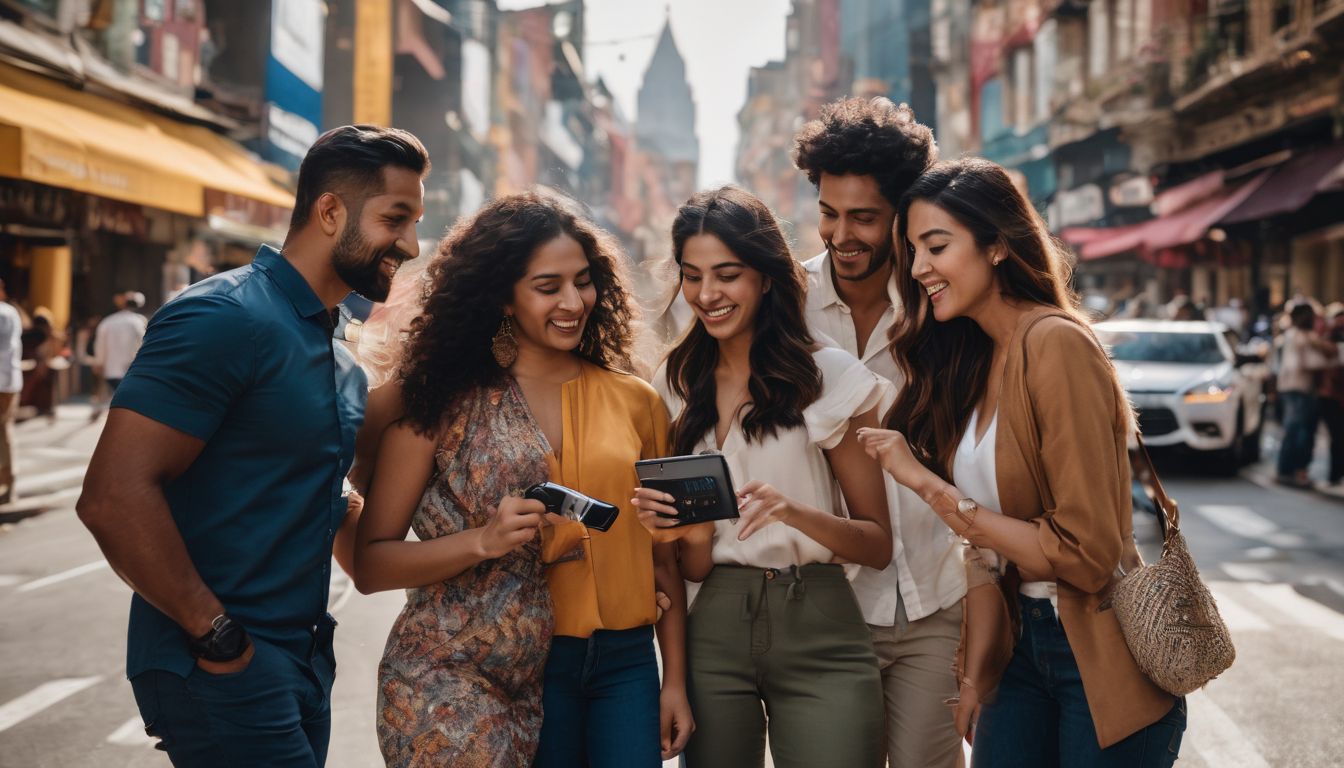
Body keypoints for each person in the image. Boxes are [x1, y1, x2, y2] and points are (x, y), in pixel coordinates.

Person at [76, 124, 430, 767]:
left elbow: (314, 497)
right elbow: (111, 496)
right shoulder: (224, 316)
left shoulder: (338, 354)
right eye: (395, 219)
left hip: (300, 662)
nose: (409, 244)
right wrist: (219, 638)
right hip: (220, 663)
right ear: (330, 211)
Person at [855, 158, 1185, 767]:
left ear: (999, 245)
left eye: (937, 245)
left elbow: (1085, 556)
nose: (920, 267)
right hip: (1021, 651)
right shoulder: (978, 359)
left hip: (1096, 655)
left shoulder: (1055, 343)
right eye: (914, 250)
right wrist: (978, 674)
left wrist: (928, 486)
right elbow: (986, 553)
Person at [350, 192, 692, 767]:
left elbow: (664, 556)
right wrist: (482, 540)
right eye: (547, 286)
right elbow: (370, 560)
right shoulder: (440, 400)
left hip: (627, 660)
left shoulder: (636, 400)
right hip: (517, 667)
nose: (573, 302)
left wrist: (674, 678)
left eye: (582, 281)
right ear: (503, 297)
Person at [634, 185, 893, 768]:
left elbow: (877, 544)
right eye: (693, 276)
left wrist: (792, 510)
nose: (708, 294)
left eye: (727, 274)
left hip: (820, 623)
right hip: (712, 627)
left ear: (767, 277)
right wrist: (684, 531)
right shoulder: (672, 385)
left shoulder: (828, 376)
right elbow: (692, 566)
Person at [792, 96, 968, 766]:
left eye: (864, 217)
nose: (841, 235)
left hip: (934, 599)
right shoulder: (784, 306)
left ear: (902, 215)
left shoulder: (944, 305)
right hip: (826, 613)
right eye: (829, 214)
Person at [1275, 301, 1336, 487]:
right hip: (1299, 388)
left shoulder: (1294, 335)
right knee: (1299, 431)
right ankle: (1293, 470)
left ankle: (1292, 470)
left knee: (1298, 431)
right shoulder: (1301, 336)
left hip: (1296, 388)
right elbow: (1312, 362)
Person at [91, 290, 149, 415]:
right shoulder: (137, 322)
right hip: (130, 369)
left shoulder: (107, 322)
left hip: (111, 369)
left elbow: (100, 344)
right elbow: (144, 344)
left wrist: (99, 362)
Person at [1318, 304, 1344, 491]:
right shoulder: (1327, 340)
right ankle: (1335, 475)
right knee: (1337, 436)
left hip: (1334, 395)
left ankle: (1336, 475)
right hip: (1331, 396)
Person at [0, 278, 21, 505]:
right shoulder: (11, 312)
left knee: (4, 434)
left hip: (4, 380)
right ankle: (9, 484)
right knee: (5, 433)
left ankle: (8, 484)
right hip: (10, 380)